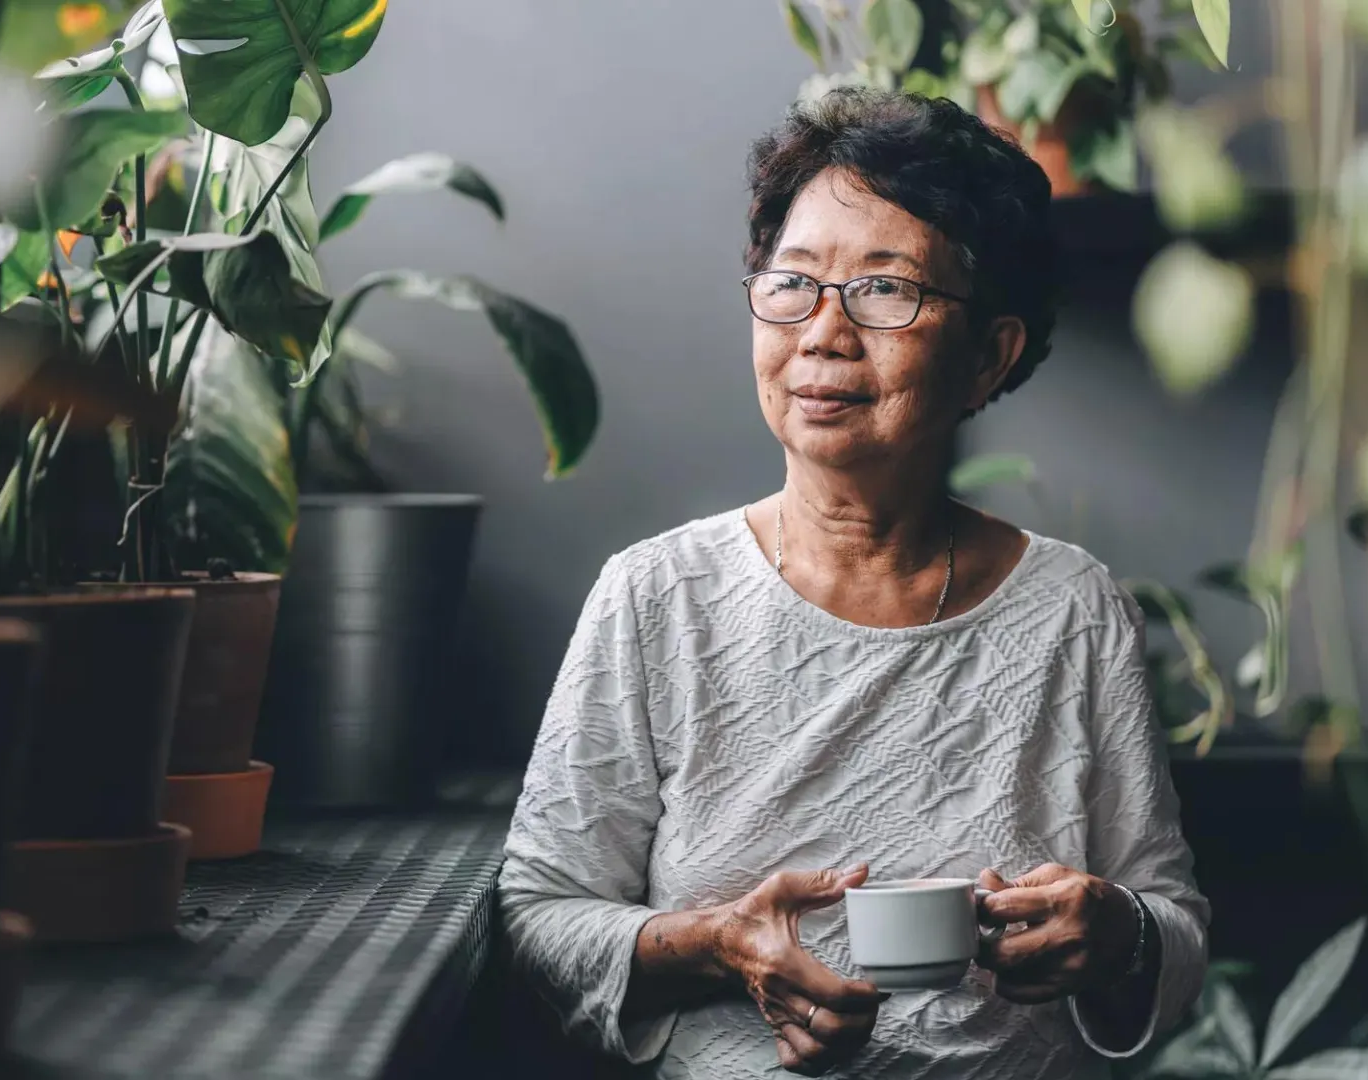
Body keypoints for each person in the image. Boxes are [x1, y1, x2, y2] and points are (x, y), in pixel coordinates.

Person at [498, 86, 1209, 1079]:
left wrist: (1121, 933)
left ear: (986, 356)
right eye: (793, 282)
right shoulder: (657, 596)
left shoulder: (1072, 609)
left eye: (885, 290)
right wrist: (715, 944)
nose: (823, 333)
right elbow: (537, 913)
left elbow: (1168, 926)